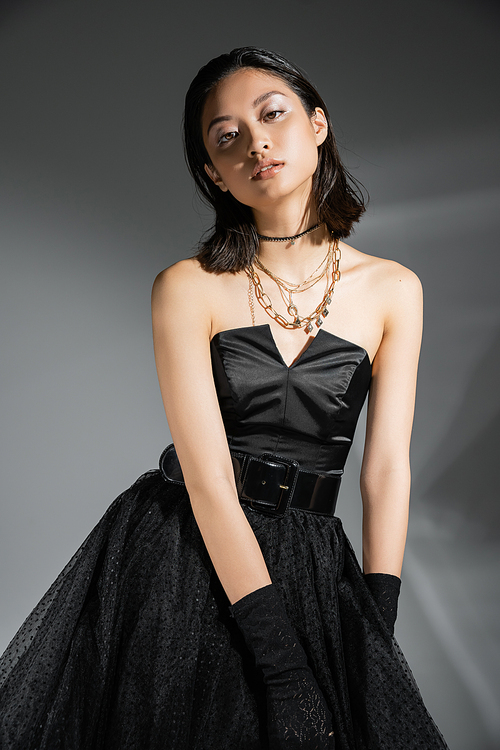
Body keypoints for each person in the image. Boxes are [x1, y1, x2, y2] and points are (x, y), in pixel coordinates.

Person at [0, 47, 449, 750]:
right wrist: (281, 664)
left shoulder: (395, 289)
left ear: (318, 125)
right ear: (214, 173)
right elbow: (209, 480)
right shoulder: (187, 286)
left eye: (272, 115)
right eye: (226, 136)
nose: (256, 141)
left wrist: (377, 630)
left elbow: (386, 468)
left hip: (313, 558)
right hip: (185, 553)